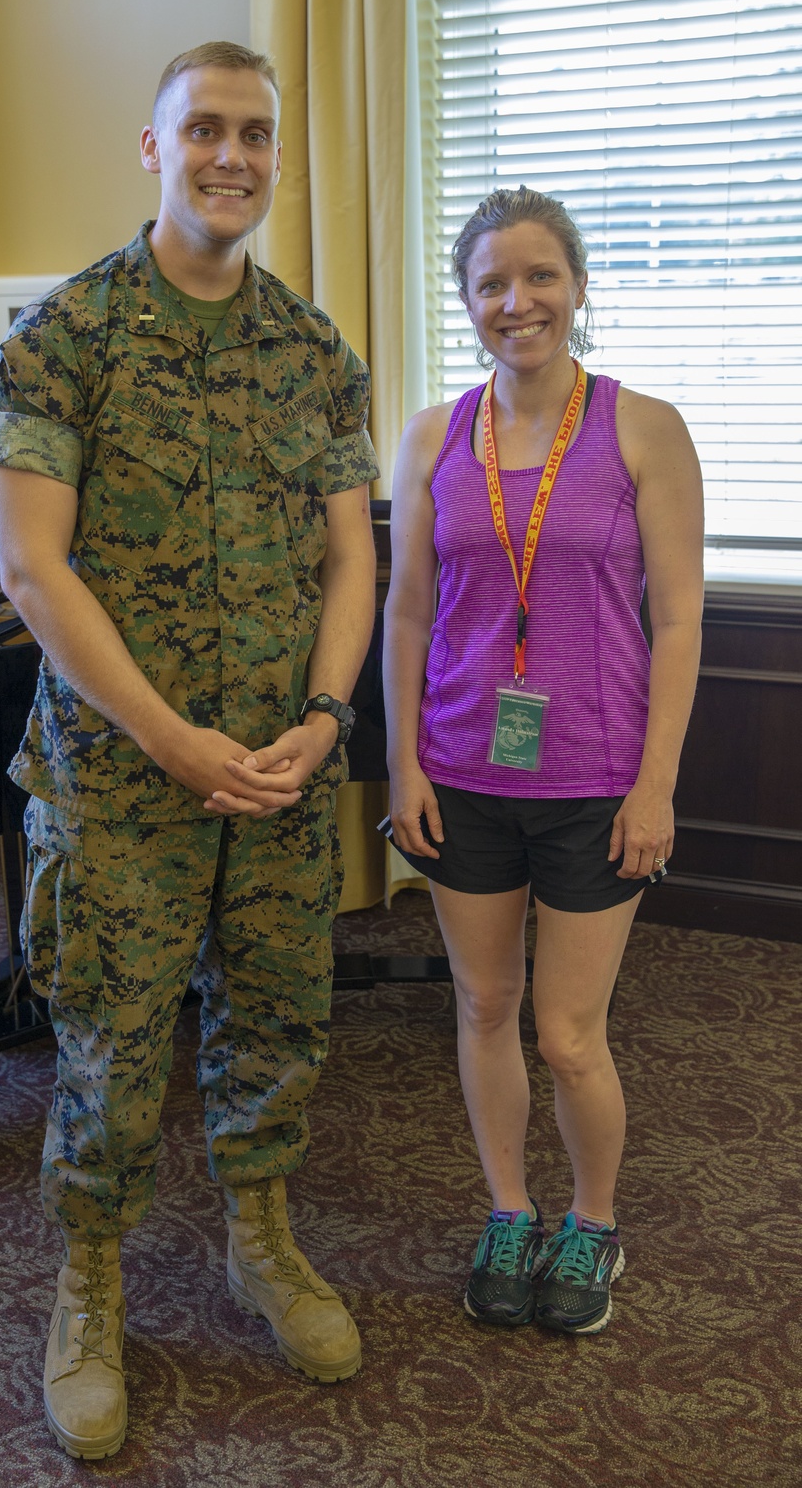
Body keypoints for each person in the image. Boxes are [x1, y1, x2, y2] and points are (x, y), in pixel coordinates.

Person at [0, 42, 378, 1460]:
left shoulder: (314, 350)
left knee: (278, 1019)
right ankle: (88, 1284)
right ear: (153, 149)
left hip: (279, 772)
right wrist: (174, 741)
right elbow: (35, 572)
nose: (233, 155)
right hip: (123, 784)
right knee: (113, 1037)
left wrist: (324, 720)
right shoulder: (62, 338)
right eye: (204, 129)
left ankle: (259, 1239)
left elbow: (350, 556)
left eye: (256, 134)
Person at [383, 186, 703, 1336]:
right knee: (480, 1003)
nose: (514, 302)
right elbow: (408, 612)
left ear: (575, 286)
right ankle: (508, 1209)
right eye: (489, 285)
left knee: (569, 1037)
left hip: (593, 782)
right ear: (467, 301)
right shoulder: (434, 435)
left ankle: (594, 1222)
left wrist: (656, 783)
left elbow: (676, 620)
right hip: (462, 772)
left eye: (538, 278)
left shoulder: (641, 428)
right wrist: (403, 764)